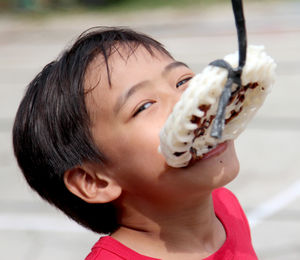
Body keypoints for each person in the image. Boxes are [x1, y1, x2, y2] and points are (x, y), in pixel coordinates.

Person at [13, 26, 258, 259]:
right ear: (94, 181)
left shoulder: (225, 206)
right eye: (144, 106)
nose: (189, 104)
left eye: (183, 81)